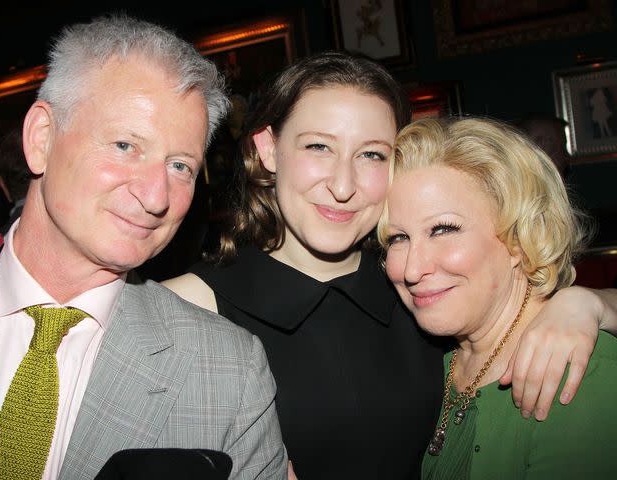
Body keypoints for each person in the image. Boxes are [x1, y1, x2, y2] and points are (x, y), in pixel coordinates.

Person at [163, 52, 617, 479]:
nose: (343, 185)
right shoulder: (185, 308)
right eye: (319, 146)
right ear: (268, 149)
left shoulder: (419, 293)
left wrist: (584, 303)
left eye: (372, 154)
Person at [0, 15, 286, 480]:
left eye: (180, 165)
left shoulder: (229, 372)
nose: (157, 197)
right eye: (125, 145)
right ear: (41, 139)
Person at [379, 117, 617, 478]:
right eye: (398, 238)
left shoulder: (576, 373)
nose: (412, 270)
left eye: (443, 229)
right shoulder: (428, 361)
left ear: (518, 238)